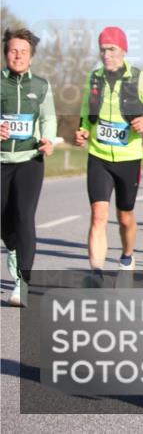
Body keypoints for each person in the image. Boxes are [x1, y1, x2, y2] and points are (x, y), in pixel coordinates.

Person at [74, 27, 143, 276]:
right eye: (102, 49)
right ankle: (96, 273)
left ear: (124, 51)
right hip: (99, 155)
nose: (106, 55)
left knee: (125, 216)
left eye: (111, 49)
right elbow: (86, 112)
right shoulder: (94, 78)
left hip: (128, 158)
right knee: (98, 216)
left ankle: (127, 254)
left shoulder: (140, 79)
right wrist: (83, 129)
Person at [1, 28, 56, 307]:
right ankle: (12, 248)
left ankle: (21, 282)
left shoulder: (41, 86)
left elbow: (49, 119)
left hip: (30, 160)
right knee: (4, 220)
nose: (18, 55)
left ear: (31, 57)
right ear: (5, 53)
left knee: (24, 216)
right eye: (13, 50)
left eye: (23, 51)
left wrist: (48, 140)